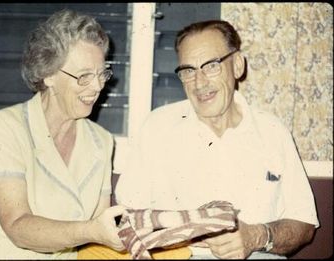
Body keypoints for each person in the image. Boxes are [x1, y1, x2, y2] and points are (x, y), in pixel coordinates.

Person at [115, 20, 319, 259]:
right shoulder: (157, 127)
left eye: (211, 66)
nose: (199, 83)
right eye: (188, 71)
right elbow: (126, 217)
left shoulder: (273, 131)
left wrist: (255, 236)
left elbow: (304, 224)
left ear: (238, 65)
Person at [0, 9, 126, 259]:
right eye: (84, 76)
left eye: (101, 73)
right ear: (48, 75)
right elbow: (17, 226)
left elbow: (100, 227)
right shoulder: (6, 126)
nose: (98, 86)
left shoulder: (102, 141)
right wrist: (91, 231)